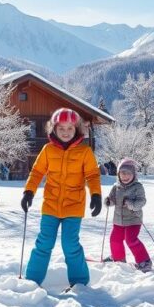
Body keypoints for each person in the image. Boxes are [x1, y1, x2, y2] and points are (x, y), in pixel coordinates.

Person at [21, 108, 102, 288]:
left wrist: (95, 195)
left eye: (70, 129)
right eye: (61, 129)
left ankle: (79, 282)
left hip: (74, 207)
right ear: (54, 129)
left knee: (70, 244)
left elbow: (92, 175)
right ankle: (32, 281)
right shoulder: (48, 150)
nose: (65, 132)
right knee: (44, 242)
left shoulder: (84, 152)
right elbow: (36, 172)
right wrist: (29, 192)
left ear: (77, 129)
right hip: (50, 206)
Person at [104, 159, 151, 271]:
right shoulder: (116, 187)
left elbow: (142, 201)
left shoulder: (137, 187)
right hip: (118, 220)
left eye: (128, 173)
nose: (125, 176)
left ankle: (144, 261)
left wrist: (131, 204)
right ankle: (119, 258)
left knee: (131, 240)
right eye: (122, 173)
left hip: (133, 220)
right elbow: (112, 199)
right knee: (114, 239)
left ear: (133, 174)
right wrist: (108, 201)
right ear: (118, 174)